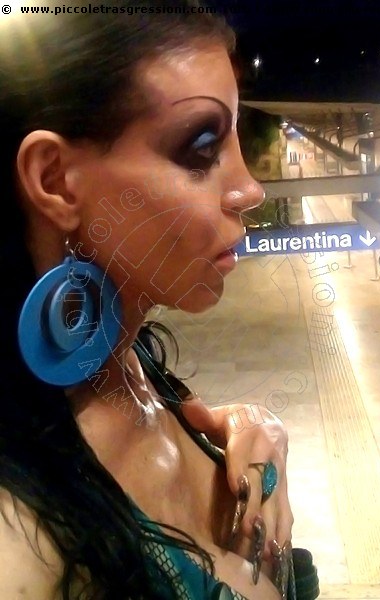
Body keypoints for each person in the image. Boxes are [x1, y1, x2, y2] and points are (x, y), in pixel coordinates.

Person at [0, 1, 294, 598]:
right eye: (202, 148)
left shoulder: (133, 368)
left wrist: (251, 423)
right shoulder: (21, 545)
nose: (250, 189)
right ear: (55, 181)